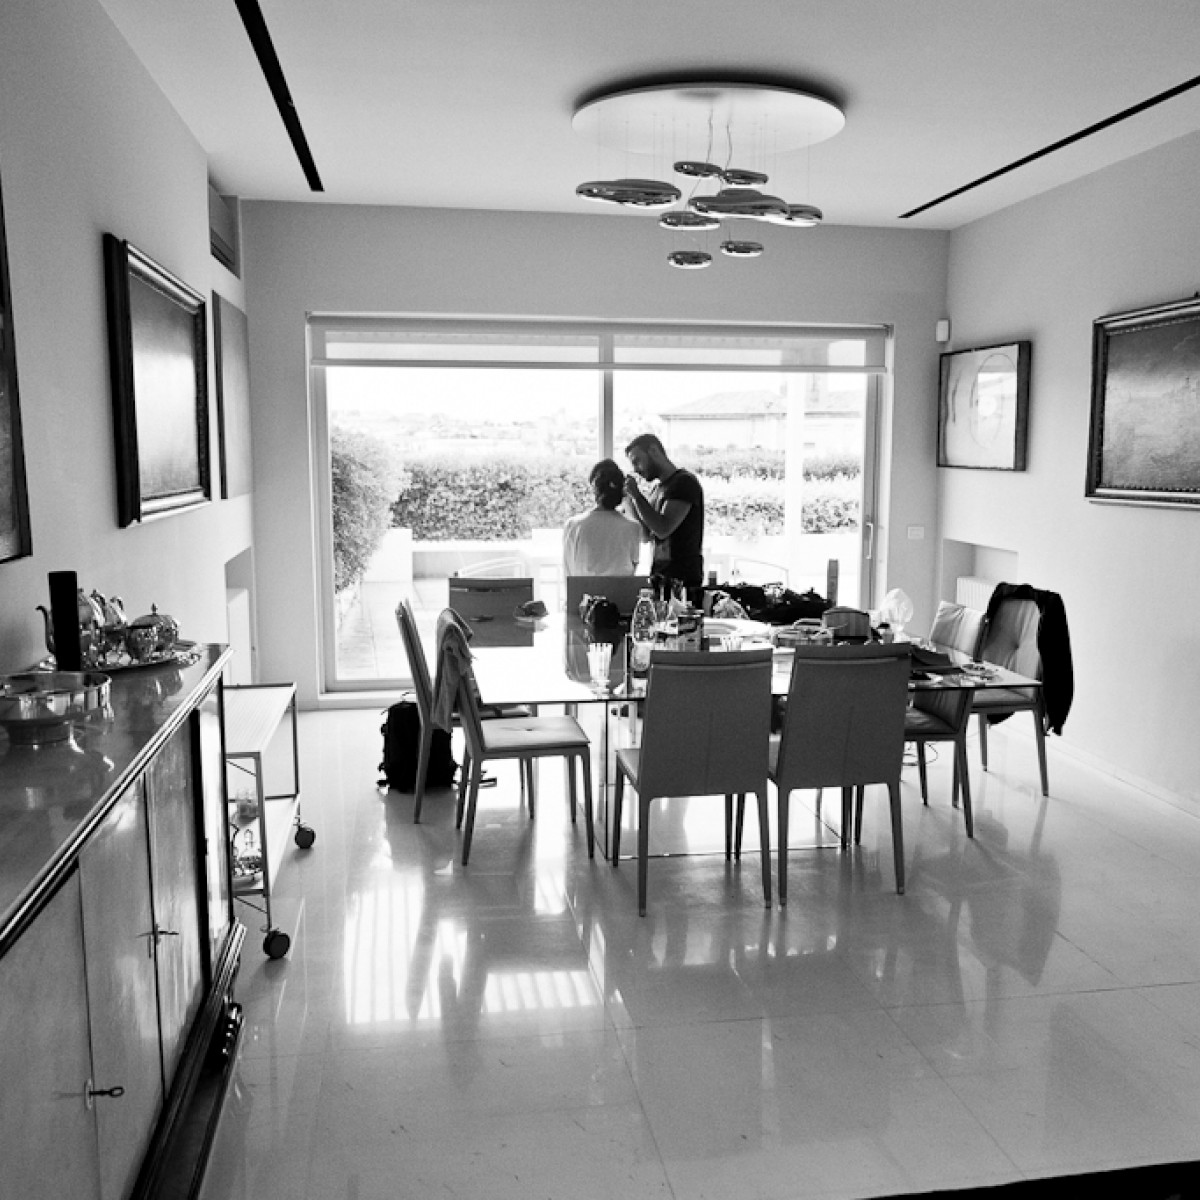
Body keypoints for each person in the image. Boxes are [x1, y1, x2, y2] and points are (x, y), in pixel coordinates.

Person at [622, 433, 704, 590]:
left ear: (653, 450)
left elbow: (663, 529)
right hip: (659, 576)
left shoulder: (684, 482)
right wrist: (629, 499)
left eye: (637, 461)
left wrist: (637, 496)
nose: (635, 469)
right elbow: (645, 535)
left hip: (683, 580)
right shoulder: (657, 490)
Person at [562, 458, 644, 576]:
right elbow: (631, 572)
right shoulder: (633, 527)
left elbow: (569, 571)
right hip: (621, 588)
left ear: (594, 488)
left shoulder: (574, 525)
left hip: (583, 588)